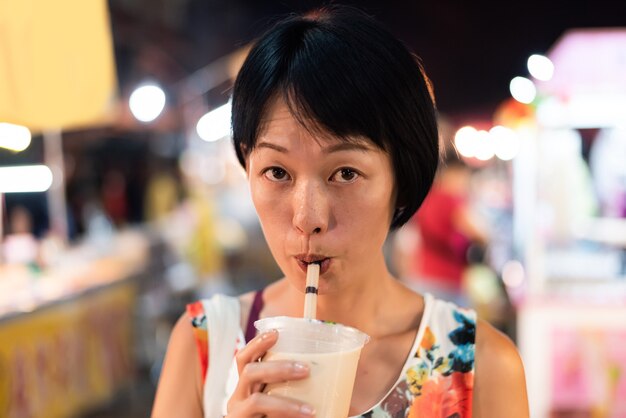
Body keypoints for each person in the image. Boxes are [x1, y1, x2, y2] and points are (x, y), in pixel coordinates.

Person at [152, 6, 528, 417]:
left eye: (345, 173)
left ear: (401, 179)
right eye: (277, 171)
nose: (308, 216)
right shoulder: (204, 345)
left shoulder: (478, 366)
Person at [402, 148, 490, 307]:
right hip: (448, 283)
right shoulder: (452, 200)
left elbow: (409, 243)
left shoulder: (427, 198)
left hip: (422, 278)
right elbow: (480, 233)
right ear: (456, 174)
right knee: (458, 330)